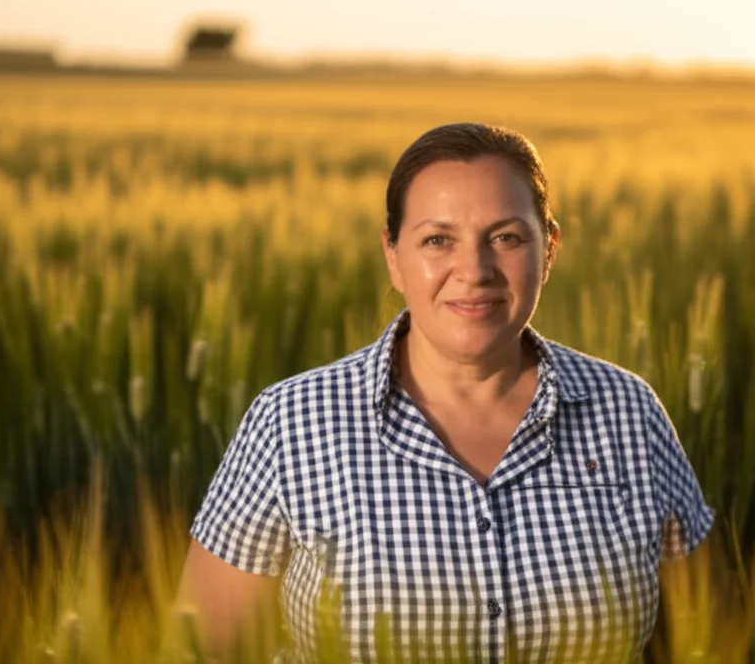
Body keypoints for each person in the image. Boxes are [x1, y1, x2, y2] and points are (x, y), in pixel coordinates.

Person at [177, 123, 714, 664]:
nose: (475, 271)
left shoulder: (629, 414)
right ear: (392, 254)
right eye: (438, 240)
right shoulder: (289, 424)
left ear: (548, 249)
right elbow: (199, 651)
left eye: (505, 238)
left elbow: (706, 638)